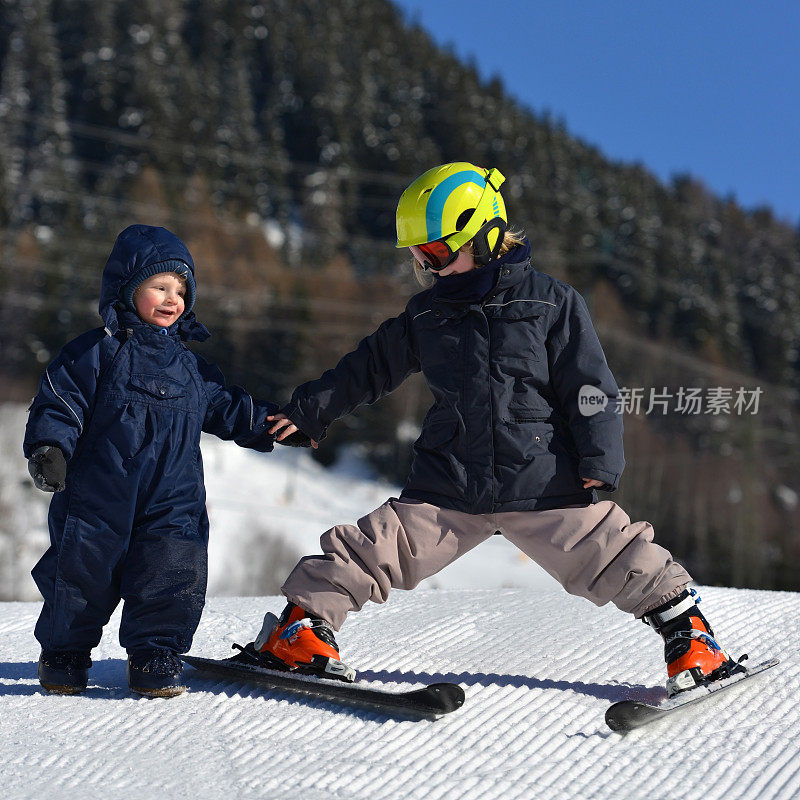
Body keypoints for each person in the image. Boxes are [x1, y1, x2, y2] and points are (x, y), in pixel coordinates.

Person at [246, 162, 737, 697]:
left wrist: (600, 461)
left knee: (615, 553)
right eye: (417, 256)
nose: (426, 267)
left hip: (543, 478)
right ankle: (298, 633)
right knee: (372, 548)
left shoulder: (551, 302)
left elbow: (590, 388)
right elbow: (369, 366)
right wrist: (312, 409)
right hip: (452, 478)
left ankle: (692, 640)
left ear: (482, 235)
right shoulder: (427, 314)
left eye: (434, 253)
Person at [25, 224, 279, 698]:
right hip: (99, 495)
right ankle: (64, 654)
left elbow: (229, 407)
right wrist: (50, 448)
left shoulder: (191, 368)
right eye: (159, 286)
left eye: (181, 289)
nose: (173, 298)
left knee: (172, 570)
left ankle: (154, 654)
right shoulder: (94, 352)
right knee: (81, 575)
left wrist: (275, 423)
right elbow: (59, 402)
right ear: (127, 288)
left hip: (173, 498)